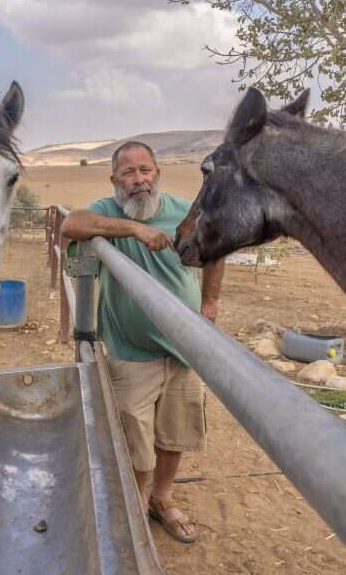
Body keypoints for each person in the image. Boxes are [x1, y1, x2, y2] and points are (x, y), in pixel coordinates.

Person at [61, 140, 224, 544]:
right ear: (114, 179)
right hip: (130, 351)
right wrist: (134, 228)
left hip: (184, 347)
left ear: (158, 173)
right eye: (129, 173)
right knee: (134, 434)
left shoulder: (184, 212)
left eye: (145, 170)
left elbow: (217, 249)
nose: (139, 180)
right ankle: (134, 501)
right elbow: (70, 226)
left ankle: (162, 498)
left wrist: (210, 301)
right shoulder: (107, 212)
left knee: (176, 430)